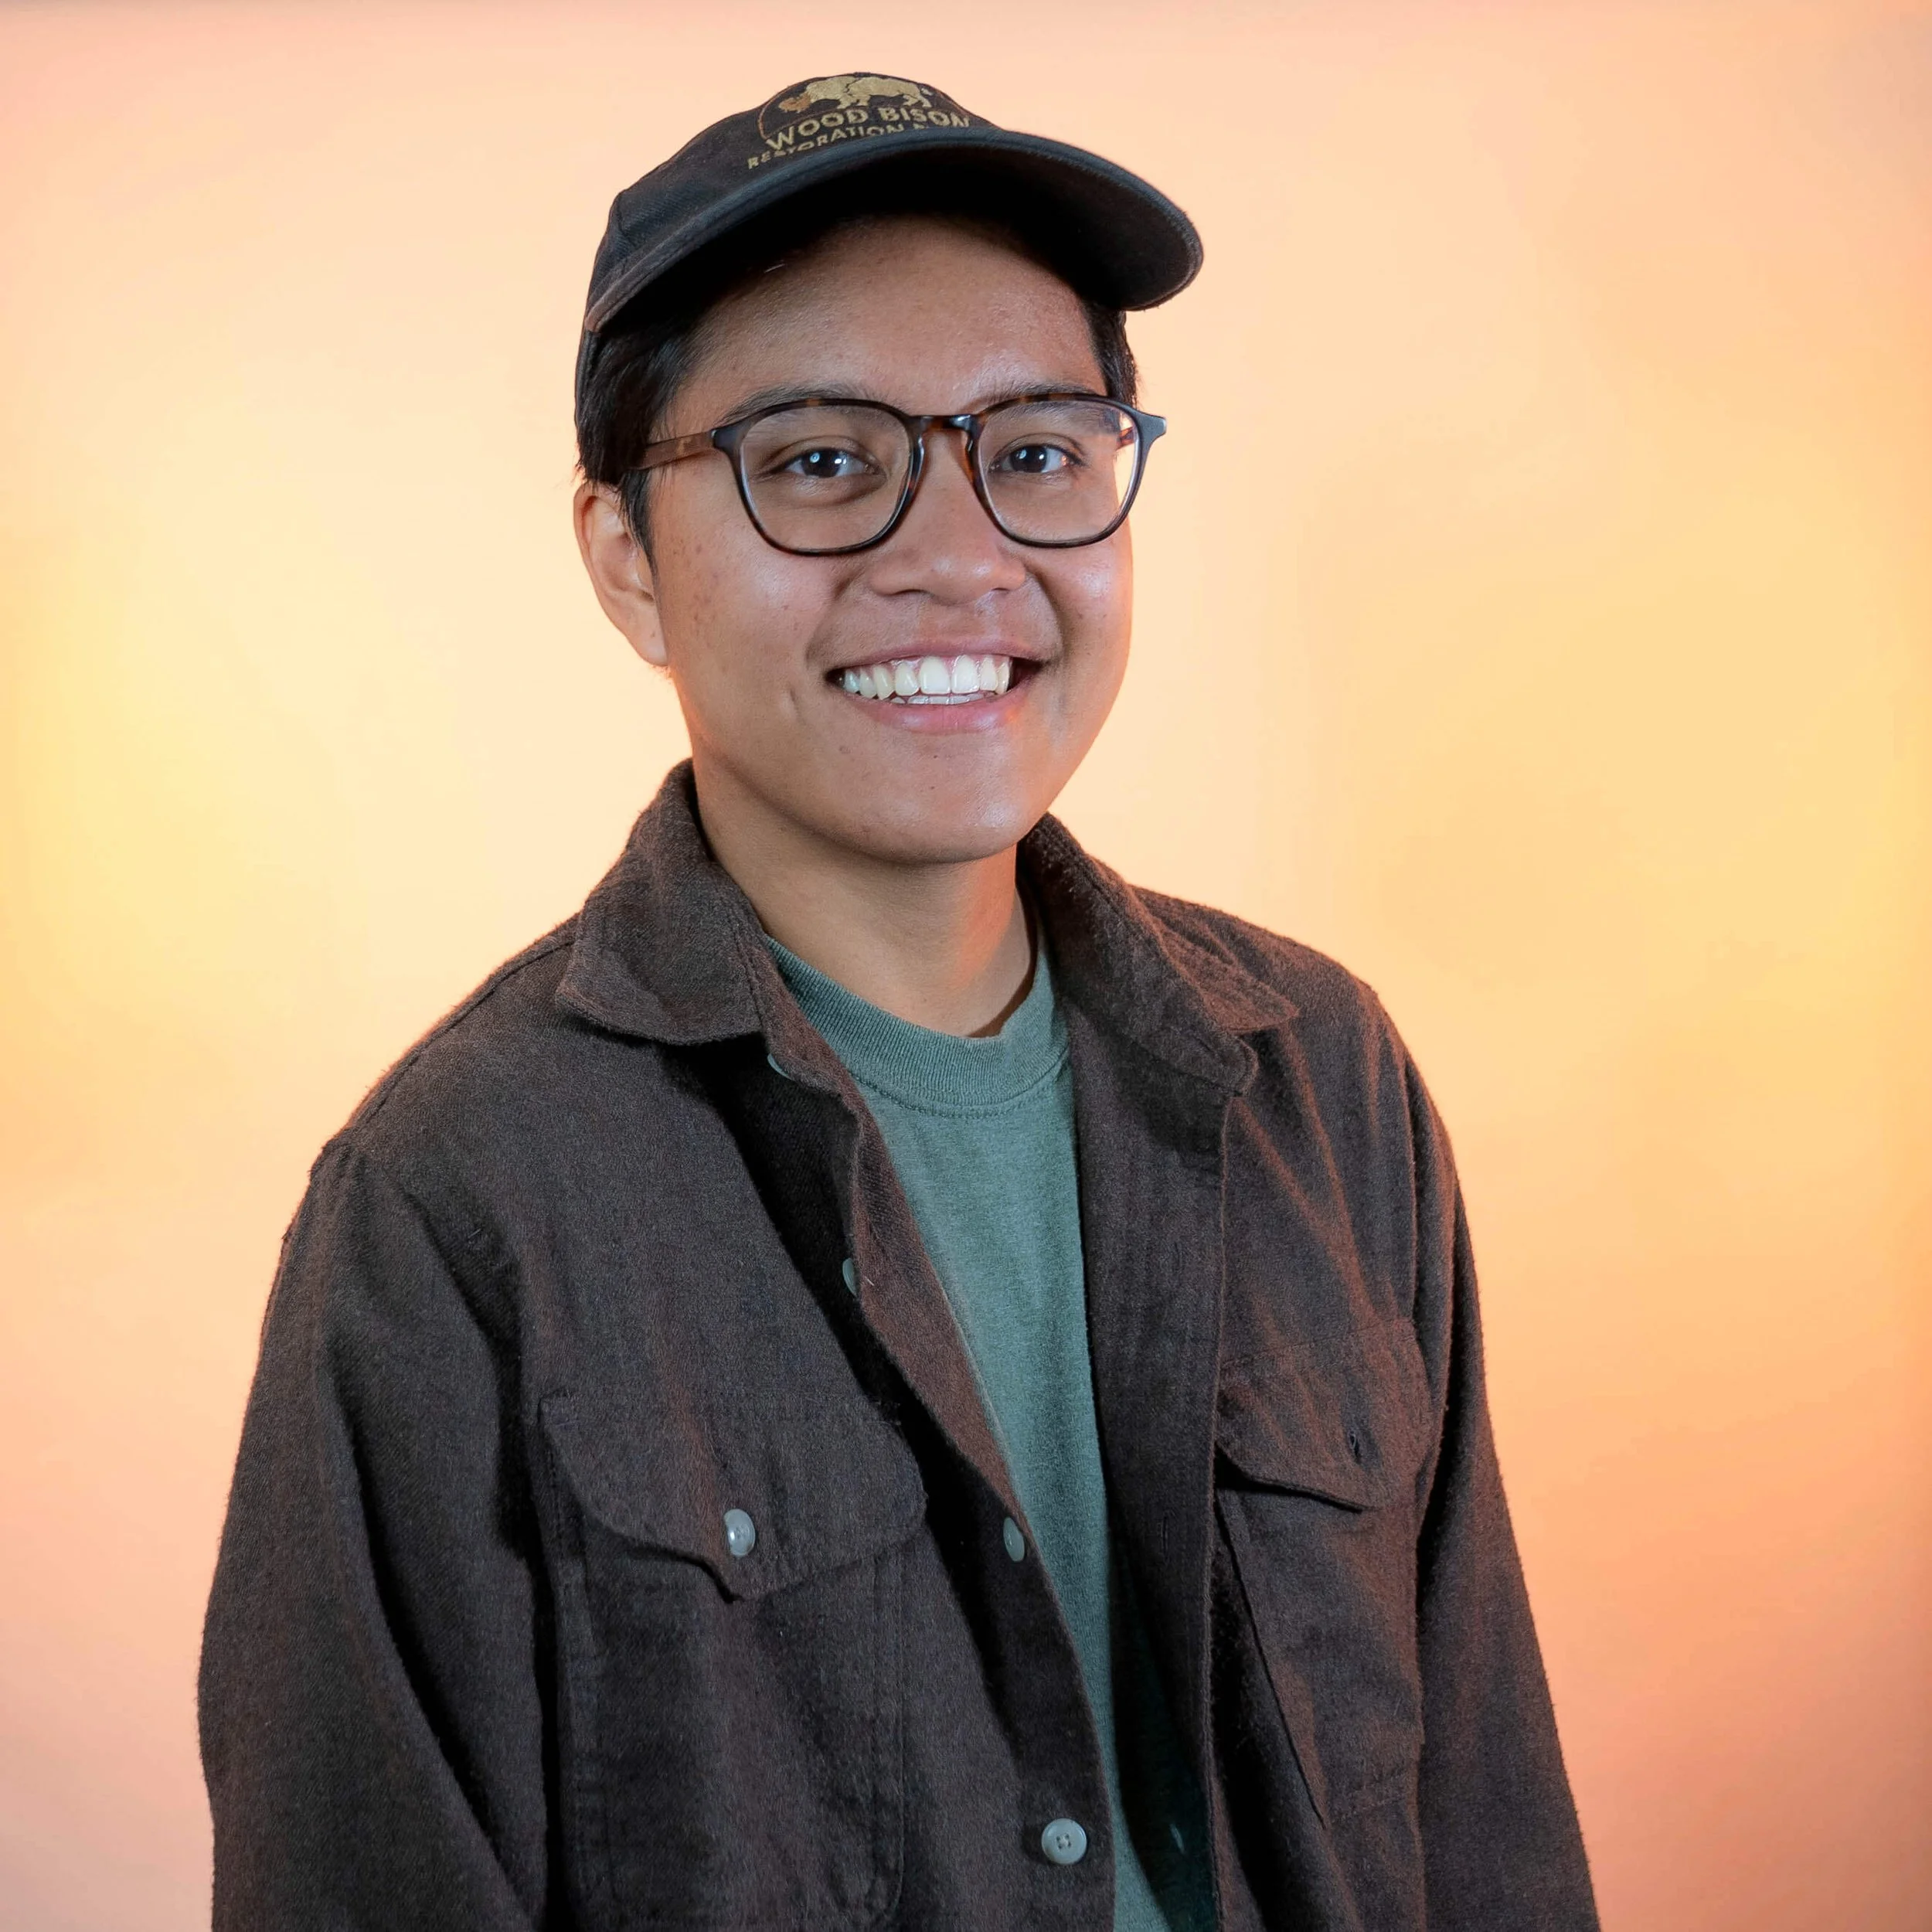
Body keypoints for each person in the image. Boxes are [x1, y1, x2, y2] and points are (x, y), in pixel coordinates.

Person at [199, 72, 1600, 1932]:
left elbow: (1488, 1832)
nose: (957, 557)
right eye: (822, 460)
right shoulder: (454, 1205)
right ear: (626, 556)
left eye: (1032, 450)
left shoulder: (1318, 1079)